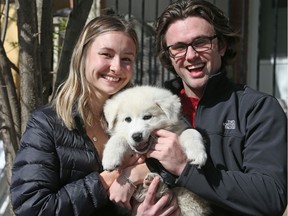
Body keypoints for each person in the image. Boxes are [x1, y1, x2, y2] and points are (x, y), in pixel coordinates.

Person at [10, 15, 178, 216]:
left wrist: (140, 179)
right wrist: (110, 178)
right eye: (106, 54)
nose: (116, 67)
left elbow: (173, 165)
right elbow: (32, 208)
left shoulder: (139, 116)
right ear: (83, 55)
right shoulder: (46, 124)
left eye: (126, 59)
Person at [146, 0, 287, 215]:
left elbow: (270, 196)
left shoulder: (257, 109)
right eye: (179, 47)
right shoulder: (152, 110)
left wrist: (185, 169)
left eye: (201, 42)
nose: (191, 55)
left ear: (221, 46)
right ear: (169, 56)